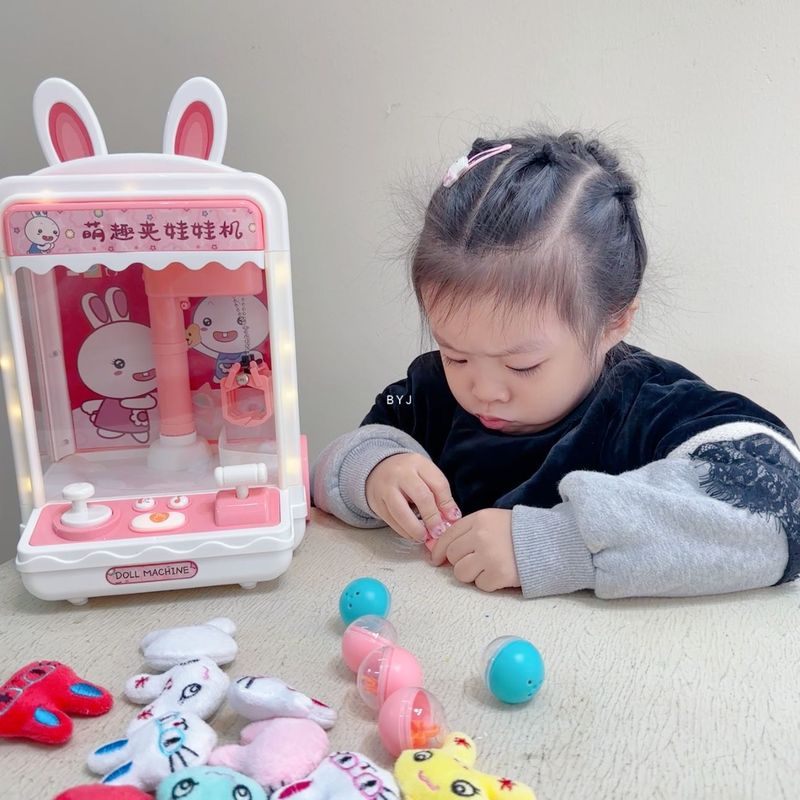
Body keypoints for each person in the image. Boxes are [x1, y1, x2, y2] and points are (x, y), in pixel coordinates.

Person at [312, 132, 800, 599]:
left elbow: (782, 507)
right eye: (456, 354)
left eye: (522, 365)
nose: (484, 389)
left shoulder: (650, 405)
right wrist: (374, 472)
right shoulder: (430, 390)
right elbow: (338, 462)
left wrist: (552, 543)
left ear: (613, 321)